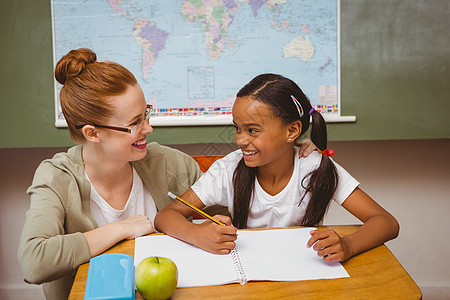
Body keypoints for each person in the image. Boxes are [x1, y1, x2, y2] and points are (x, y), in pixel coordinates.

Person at [18, 50, 316, 299]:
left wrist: (289, 151)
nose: (148, 128)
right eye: (135, 123)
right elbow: (34, 262)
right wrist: (123, 229)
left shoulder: (169, 164)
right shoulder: (56, 177)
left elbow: (230, 222)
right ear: (92, 133)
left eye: (146, 114)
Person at [155, 73, 399, 262]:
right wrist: (196, 234)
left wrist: (348, 245)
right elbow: (166, 216)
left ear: (291, 131)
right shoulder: (229, 169)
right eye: (237, 128)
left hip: (304, 275)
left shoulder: (315, 168)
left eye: (252, 130)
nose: (239, 139)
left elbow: (386, 222)